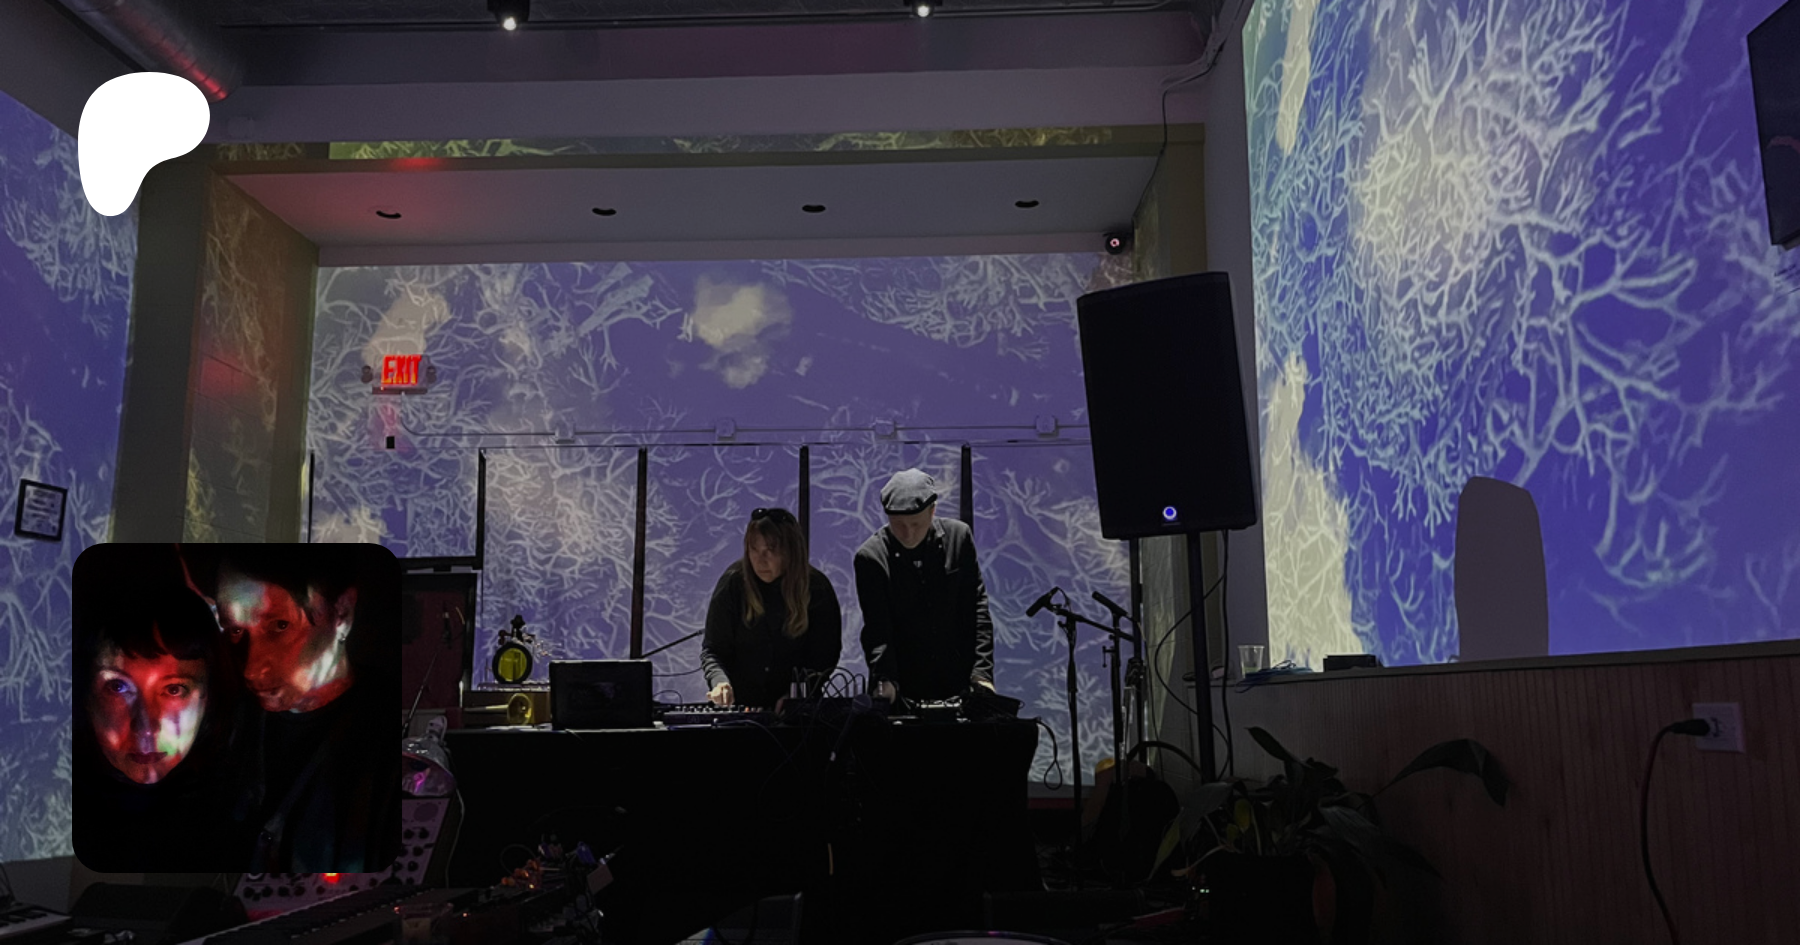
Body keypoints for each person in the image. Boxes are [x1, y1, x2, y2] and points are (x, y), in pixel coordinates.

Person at [186, 544, 400, 873]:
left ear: (342, 612)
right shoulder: (219, 726)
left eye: (279, 626)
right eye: (236, 630)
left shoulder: (392, 738)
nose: (252, 668)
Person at [71, 546, 245, 870]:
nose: (147, 728)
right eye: (118, 687)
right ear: (84, 695)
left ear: (209, 698)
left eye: (174, 689)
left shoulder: (239, 818)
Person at [853, 468, 995, 703]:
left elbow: (976, 610)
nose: (908, 534)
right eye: (898, 524)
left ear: (932, 511)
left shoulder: (959, 537)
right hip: (903, 683)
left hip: (959, 678)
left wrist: (982, 673)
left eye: (916, 524)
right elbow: (878, 630)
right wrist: (885, 680)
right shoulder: (871, 557)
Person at [702, 507, 843, 708]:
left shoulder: (817, 588)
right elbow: (713, 650)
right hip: (741, 708)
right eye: (754, 550)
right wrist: (720, 682)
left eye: (770, 550)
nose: (760, 560)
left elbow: (824, 657)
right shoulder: (733, 584)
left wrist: (795, 696)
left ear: (791, 551)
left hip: (798, 712)